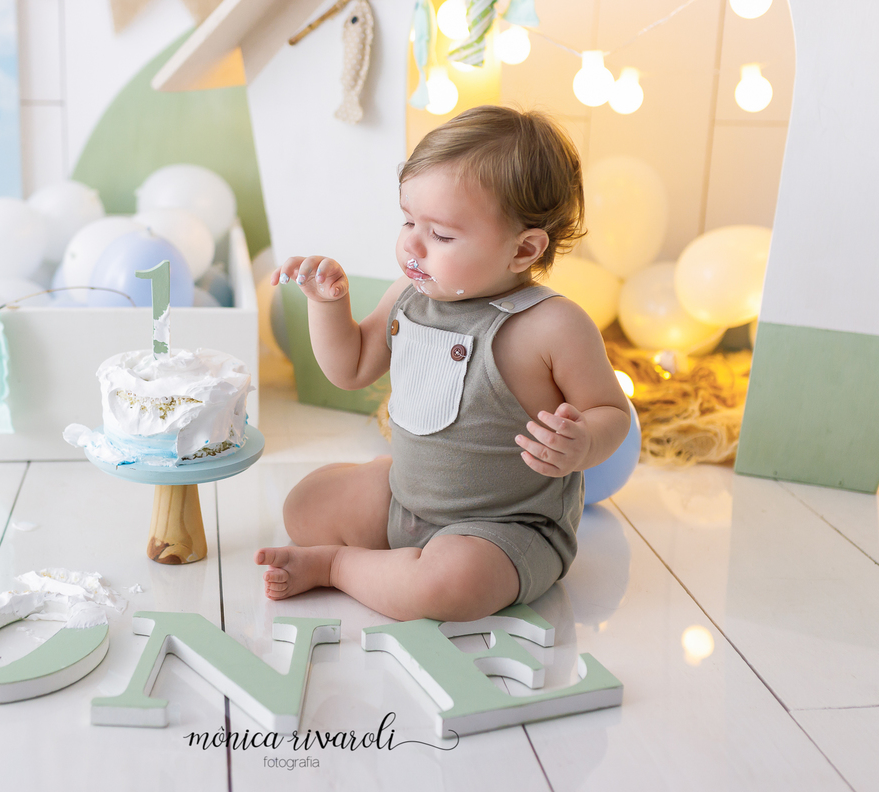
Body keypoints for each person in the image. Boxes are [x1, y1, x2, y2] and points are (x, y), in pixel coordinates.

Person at [256, 106, 631, 622]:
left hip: (504, 529)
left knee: (450, 587)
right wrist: (327, 306)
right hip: (407, 499)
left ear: (524, 249)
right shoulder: (408, 296)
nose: (411, 243)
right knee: (304, 506)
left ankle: (339, 567)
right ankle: (391, 547)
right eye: (409, 220)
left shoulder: (553, 325)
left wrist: (584, 442)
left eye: (442, 235)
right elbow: (352, 368)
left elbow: (611, 411)